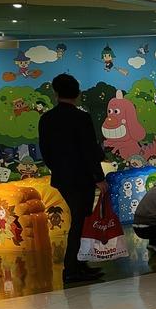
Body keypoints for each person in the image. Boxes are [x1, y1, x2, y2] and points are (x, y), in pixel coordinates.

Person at [37, 73, 108, 284]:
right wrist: (99, 177)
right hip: (83, 178)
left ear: (56, 93)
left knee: (79, 219)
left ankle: (79, 264)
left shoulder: (46, 119)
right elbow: (89, 150)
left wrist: (59, 169)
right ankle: (71, 268)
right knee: (80, 221)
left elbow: (46, 151)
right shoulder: (81, 117)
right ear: (77, 93)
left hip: (63, 178)